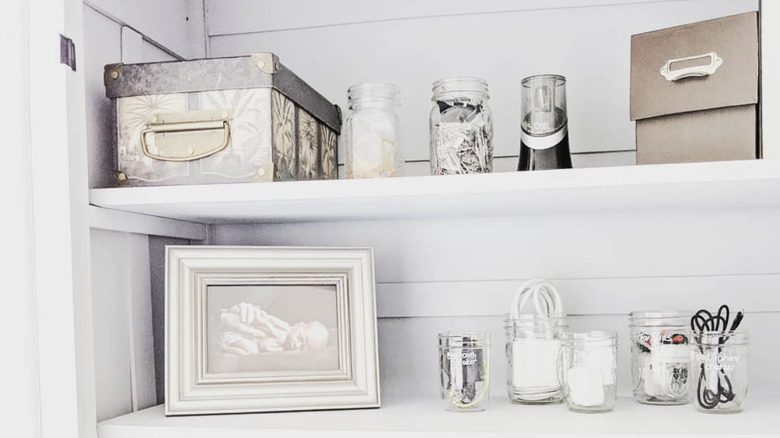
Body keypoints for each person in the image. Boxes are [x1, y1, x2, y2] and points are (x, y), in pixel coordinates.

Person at [219, 302, 330, 355]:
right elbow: (269, 320)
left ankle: (225, 348)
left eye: (302, 348)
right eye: (300, 338)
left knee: (250, 350)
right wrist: (264, 319)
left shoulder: (282, 351)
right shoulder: (284, 327)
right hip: (245, 329)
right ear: (297, 325)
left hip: (246, 341)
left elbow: (264, 347)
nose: (297, 345)